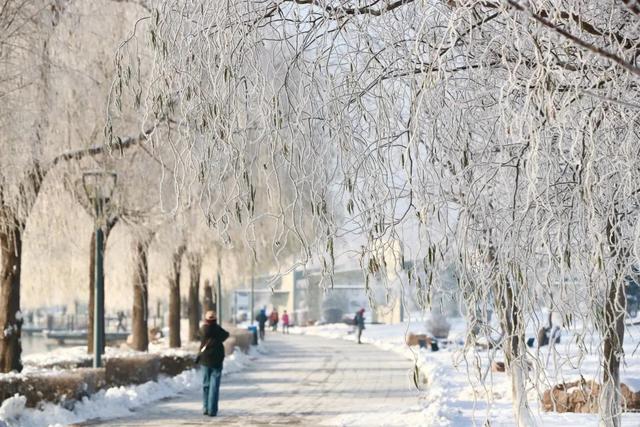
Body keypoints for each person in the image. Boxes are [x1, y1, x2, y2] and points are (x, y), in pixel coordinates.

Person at [197, 310, 229, 417]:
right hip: (217, 361)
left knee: (206, 384)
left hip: (205, 360)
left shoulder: (202, 330)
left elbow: (197, 335)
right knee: (214, 386)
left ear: (206, 319)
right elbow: (226, 335)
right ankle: (212, 410)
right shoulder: (218, 330)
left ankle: (205, 408)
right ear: (215, 319)